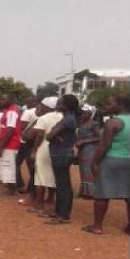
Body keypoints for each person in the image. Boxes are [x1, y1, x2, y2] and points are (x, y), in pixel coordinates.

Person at [83, 94, 129, 235]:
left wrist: (95, 162)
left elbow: (105, 144)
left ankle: (97, 226)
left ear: (120, 105)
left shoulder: (113, 122)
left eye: (109, 104)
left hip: (111, 160)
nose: (106, 107)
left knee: (102, 194)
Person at [44, 95, 79, 224]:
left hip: (61, 154)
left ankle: (63, 215)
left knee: (63, 184)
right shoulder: (68, 119)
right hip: (62, 153)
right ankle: (59, 212)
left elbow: (49, 136)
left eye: (59, 103)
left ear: (66, 106)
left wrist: (53, 134)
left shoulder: (67, 120)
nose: (57, 104)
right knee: (61, 184)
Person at [27, 97, 59, 214]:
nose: (38, 107)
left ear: (46, 107)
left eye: (40, 105)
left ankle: (39, 205)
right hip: (58, 150)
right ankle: (51, 199)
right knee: (54, 175)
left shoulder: (44, 118)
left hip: (44, 149)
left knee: (40, 178)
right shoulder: (63, 117)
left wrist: (34, 150)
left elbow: (33, 136)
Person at [0, 94, 22, 196]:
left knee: (8, 166)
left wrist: (1, 146)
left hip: (10, 144)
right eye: (0, 99)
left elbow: (10, 130)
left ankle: (11, 190)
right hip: (7, 144)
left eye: (3, 99)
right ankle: (10, 188)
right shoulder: (8, 111)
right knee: (5, 165)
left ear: (11, 100)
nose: (0, 101)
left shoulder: (12, 111)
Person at [76, 104, 100, 199]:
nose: (83, 115)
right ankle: (85, 191)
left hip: (89, 149)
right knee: (83, 170)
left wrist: (84, 141)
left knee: (88, 170)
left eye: (85, 113)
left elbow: (100, 137)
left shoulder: (94, 124)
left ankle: (91, 192)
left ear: (90, 114)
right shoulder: (81, 123)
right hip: (82, 150)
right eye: (82, 113)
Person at [16, 97, 38, 195]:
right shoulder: (42, 113)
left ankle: (19, 184)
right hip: (35, 141)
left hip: (24, 141)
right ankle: (31, 187)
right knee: (32, 165)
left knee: (16, 163)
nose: (26, 104)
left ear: (34, 102)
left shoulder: (28, 112)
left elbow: (22, 127)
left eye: (28, 102)